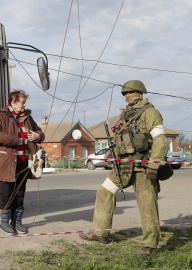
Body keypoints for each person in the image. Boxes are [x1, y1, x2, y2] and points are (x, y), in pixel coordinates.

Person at [79, 80, 168, 256]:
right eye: (124, 93)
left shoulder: (151, 113)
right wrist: (113, 154)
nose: (126, 95)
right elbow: (121, 139)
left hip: (143, 167)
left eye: (129, 92)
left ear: (139, 92)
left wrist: (154, 164)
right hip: (124, 167)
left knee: (147, 205)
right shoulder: (126, 115)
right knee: (104, 193)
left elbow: (161, 141)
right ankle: (101, 233)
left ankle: (149, 245)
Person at [0, 90, 45, 235]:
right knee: (6, 193)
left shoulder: (27, 117)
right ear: (12, 103)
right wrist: (15, 140)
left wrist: (38, 135)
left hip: (24, 162)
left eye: (25, 102)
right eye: (22, 102)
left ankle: (17, 222)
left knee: (20, 194)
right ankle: (3, 223)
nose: (24, 105)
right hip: (7, 162)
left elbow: (39, 131)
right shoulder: (1, 117)